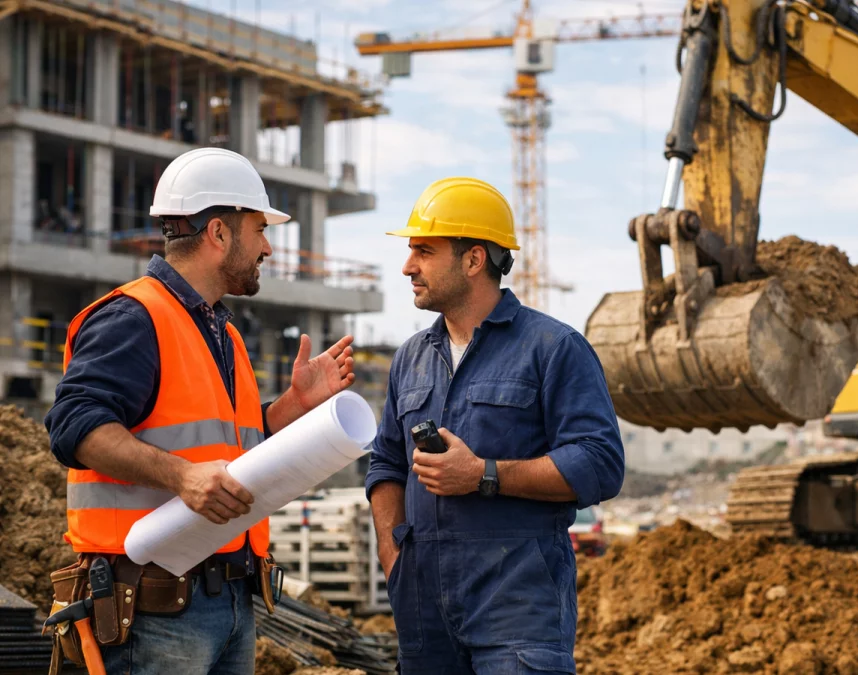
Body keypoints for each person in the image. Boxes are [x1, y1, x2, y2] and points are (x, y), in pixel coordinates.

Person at [44, 147, 356, 674]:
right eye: (259, 230)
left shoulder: (221, 331)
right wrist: (182, 477)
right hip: (152, 607)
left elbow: (223, 449)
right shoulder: (133, 317)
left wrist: (289, 409)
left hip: (227, 599)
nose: (268, 248)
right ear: (218, 233)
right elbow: (74, 427)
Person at [366, 176, 625, 674]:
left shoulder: (553, 348)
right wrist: (392, 554)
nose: (407, 266)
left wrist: (484, 474)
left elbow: (600, 463)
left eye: (423, 250)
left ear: (473, 259)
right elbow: (386, 464)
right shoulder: (412, 359)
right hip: (425, 613)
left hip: (518, 612)